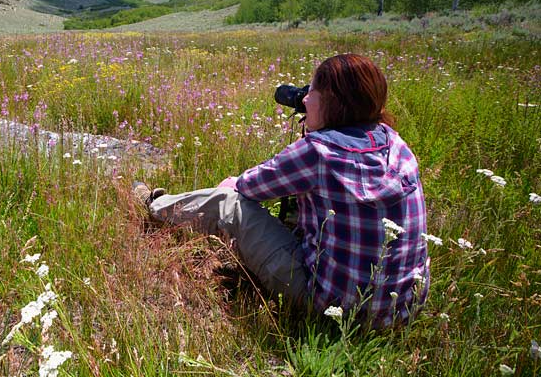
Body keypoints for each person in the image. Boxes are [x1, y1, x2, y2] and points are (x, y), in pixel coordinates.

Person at [134, 53, 429, 328]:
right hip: (402, 309)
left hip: (330, 310)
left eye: (311, 92)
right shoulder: (397, 146)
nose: (305, 98)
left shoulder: (318, 152)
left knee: (228, 201)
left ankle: (155, 206)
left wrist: (231, 184)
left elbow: (248, 188)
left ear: (331, 103)